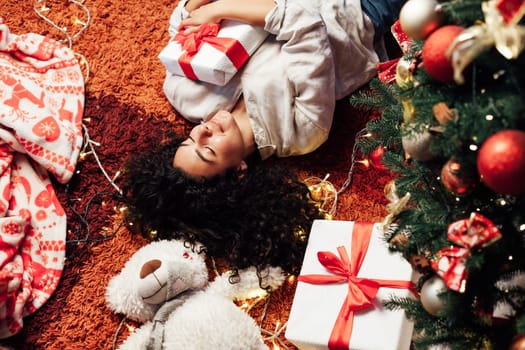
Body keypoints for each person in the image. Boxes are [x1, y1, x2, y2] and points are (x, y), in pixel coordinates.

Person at [121, 0, 405, 280]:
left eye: (190, 139)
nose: (203, 130)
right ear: (238, 171)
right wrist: (222, 9)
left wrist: (198, 10)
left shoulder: (186, 96)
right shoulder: (301, 130)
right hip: (353, 11)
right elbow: (304, 23)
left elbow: (182, 25)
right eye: (207, 150)